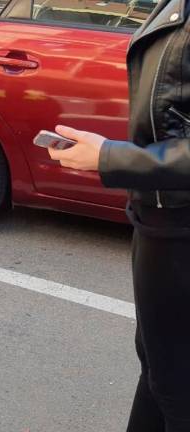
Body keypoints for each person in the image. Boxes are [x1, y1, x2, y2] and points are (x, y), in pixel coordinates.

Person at [47, 0, 190, 429]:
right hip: (158, 221)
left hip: (180, 233)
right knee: (157, 367)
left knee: (177, 390)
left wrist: (112, 157)